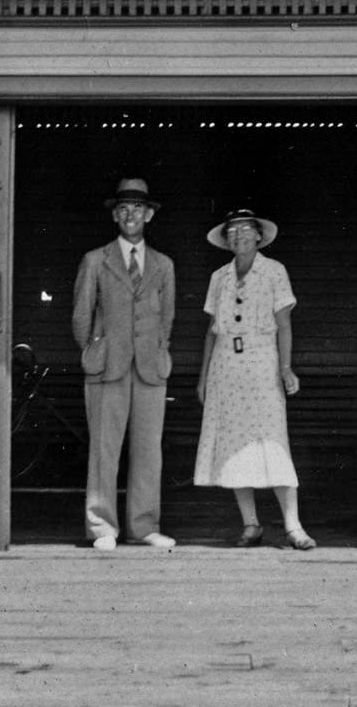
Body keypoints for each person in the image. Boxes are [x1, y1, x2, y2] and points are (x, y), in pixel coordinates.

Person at [194, 208, 317, 550]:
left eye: (246, 230)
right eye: (232, 231)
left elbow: (284, 324)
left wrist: (285, 368)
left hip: (262, 363)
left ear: (259, 236)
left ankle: (293, 527)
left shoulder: (275, 271)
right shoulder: (219, 276)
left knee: (273, 443)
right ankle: (251, 525)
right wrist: (203, 377)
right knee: (233, 447)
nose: (238, 236)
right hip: (225, 367)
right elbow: (210, 331)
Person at [72, 178, 176, 551]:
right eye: (124, 209)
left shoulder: (164, 265)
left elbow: (167, 319)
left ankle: (144, 526)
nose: (131, 215)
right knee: (104, 450)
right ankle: (102, 527)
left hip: (149, 368)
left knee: (149, 450)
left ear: (148, 215)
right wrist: (95, 351)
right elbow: (82, 317)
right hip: (107, 367)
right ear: (116, 216)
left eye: (138, 209)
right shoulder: (96, 260)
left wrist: (154, 350)